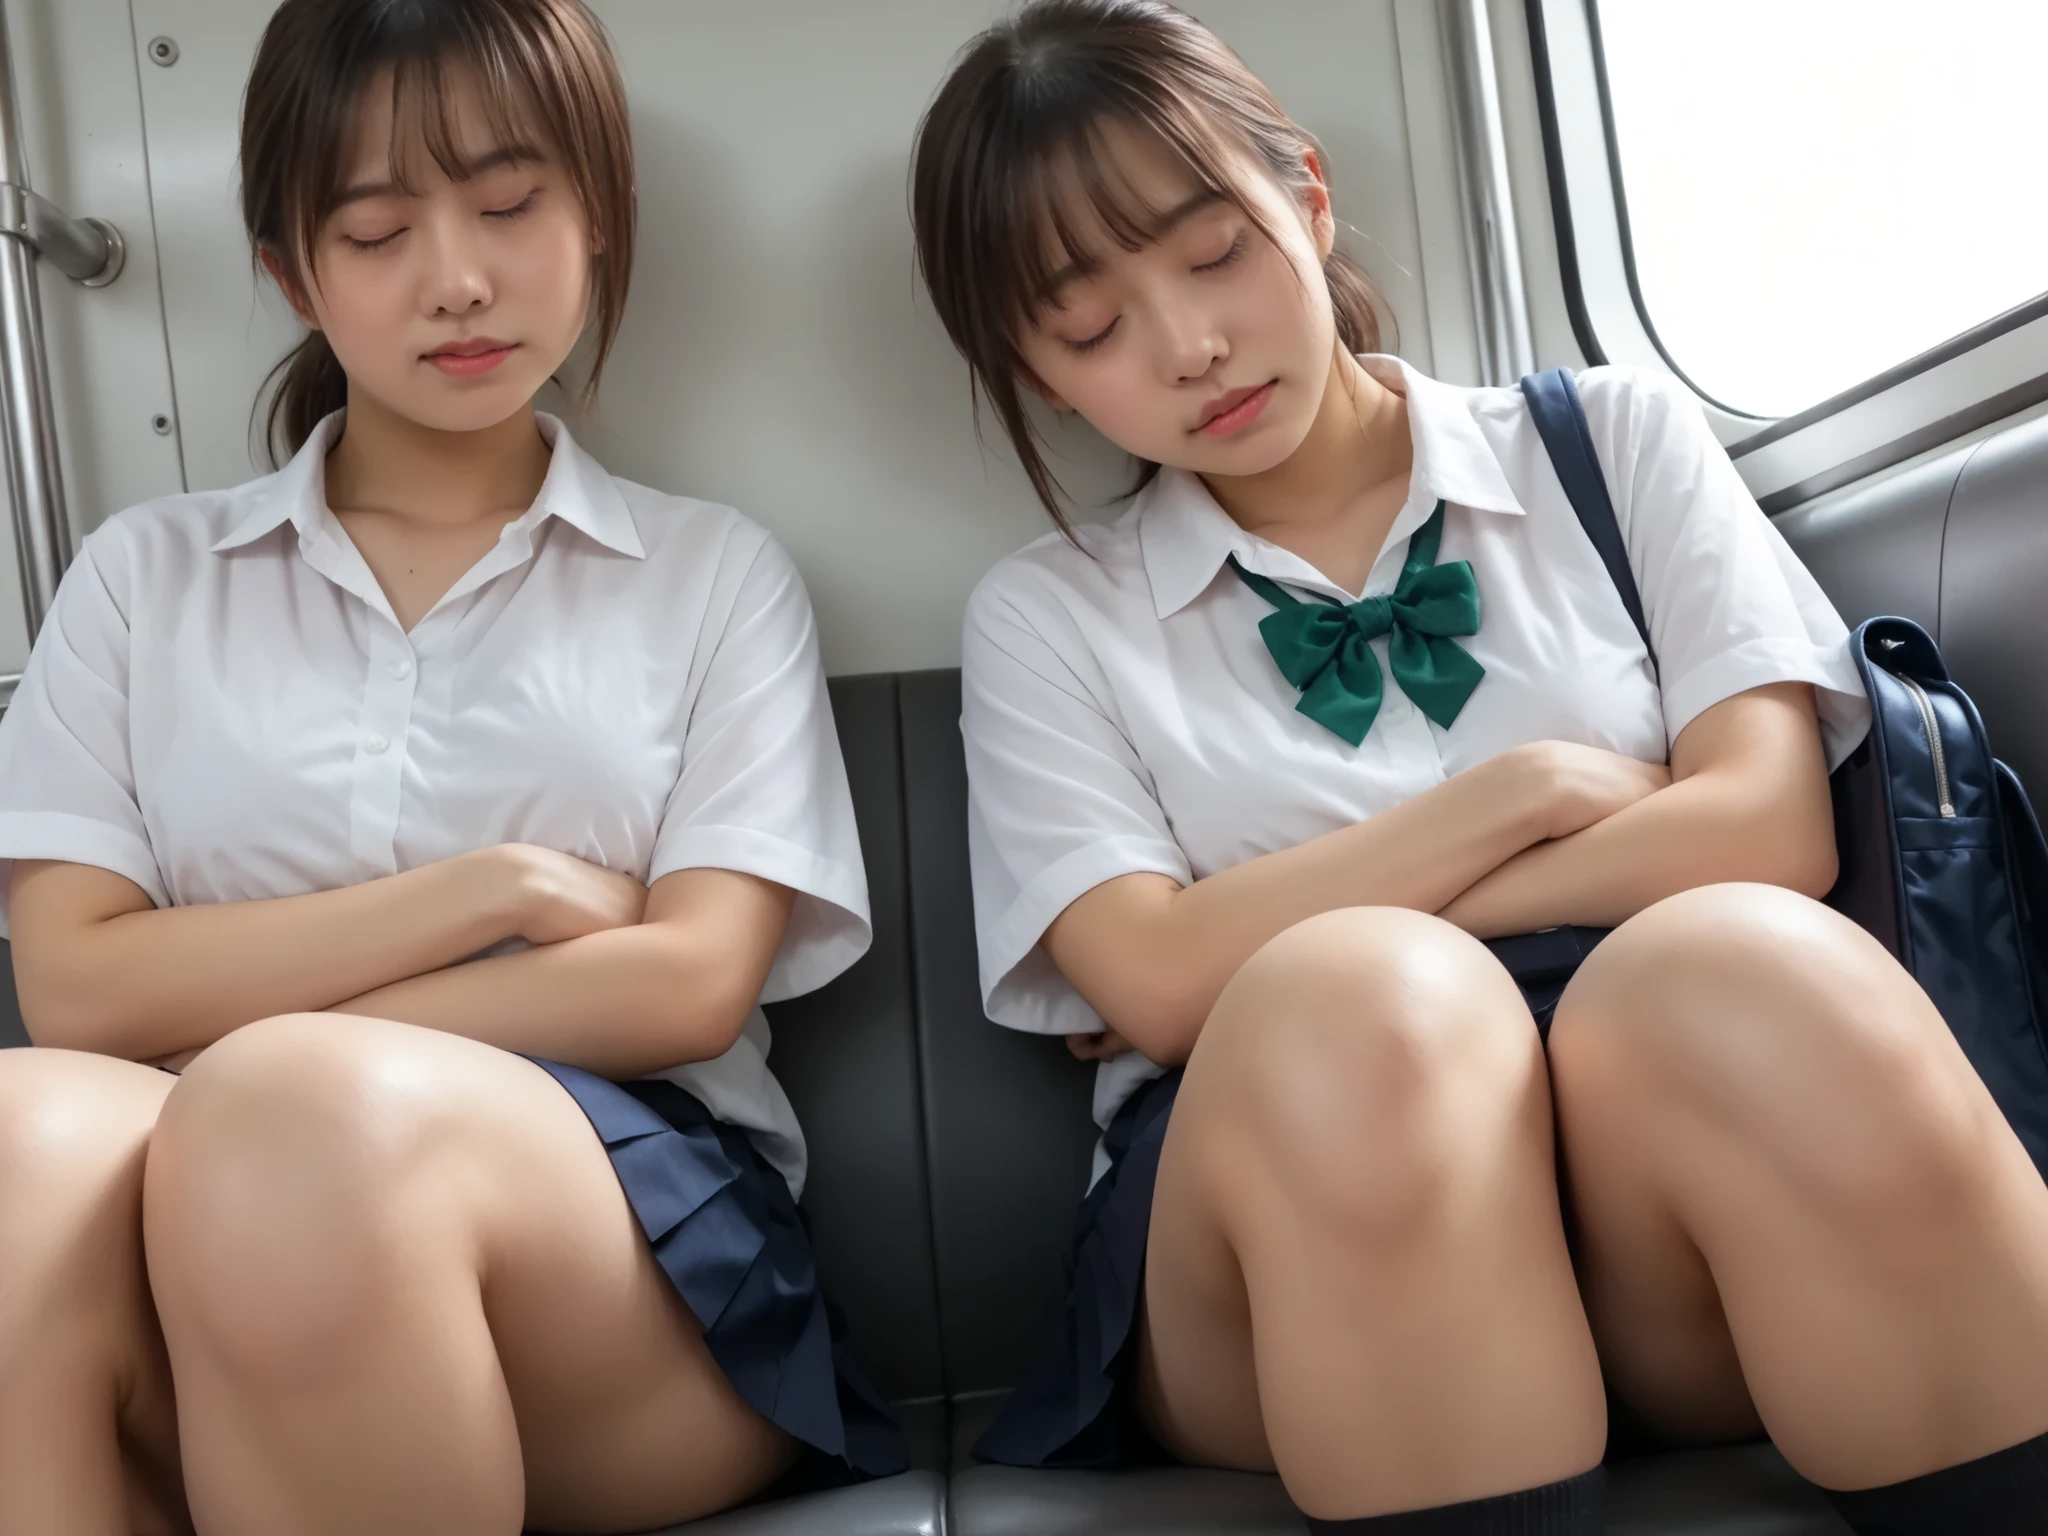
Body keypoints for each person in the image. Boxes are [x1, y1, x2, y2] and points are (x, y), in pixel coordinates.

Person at [908, 3, 2048, 1531]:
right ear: (1039, 374)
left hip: (1672, 1209)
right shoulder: (1051, 617)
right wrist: (1525, 795)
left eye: (1213, 251)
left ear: (1305, 199)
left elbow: (1771, 827)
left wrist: (1278, 918)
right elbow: (1167, 992)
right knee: (1363, 1010)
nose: (1188, 345)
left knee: (1752, 960)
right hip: (1291, 1245)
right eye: (1092, 327)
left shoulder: (1613, 441)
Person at [0, 2, 906, 1531]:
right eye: (375, 230)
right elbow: (76, 993)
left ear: (599, 215)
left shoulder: (707, 575)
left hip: (627, 1257)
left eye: (506, 206)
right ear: (292, 269)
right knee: (23, 1142)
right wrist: (496, 890)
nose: (459, 280)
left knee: (292, 1115)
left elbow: (684, 986)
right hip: (192, 1215)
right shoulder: (141, 579)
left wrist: (255, 1055)